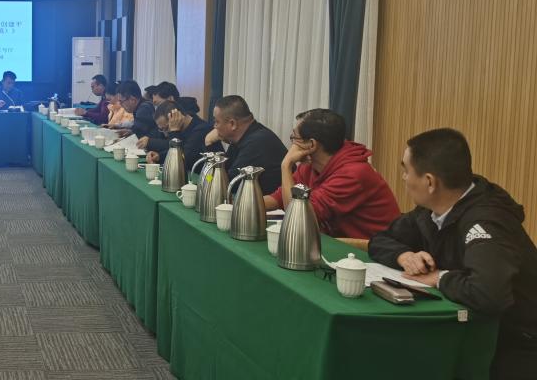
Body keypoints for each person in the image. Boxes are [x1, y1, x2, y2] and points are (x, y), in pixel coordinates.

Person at [369, 129, 537, 378]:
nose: (403, 177)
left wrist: (440, 278)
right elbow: (380, 240)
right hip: (469, 331)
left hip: (517, 344)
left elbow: (488, 294)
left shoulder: (486, 221)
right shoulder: (430, 211)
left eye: (406, 170)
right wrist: (404, 256)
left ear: (429, 182)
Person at [263, 109, 399, 239]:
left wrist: (286, 165)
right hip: (338, 242)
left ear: (311, 145)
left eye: (294, 138)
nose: (292, 144)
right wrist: (251, 206)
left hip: (369, 249)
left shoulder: (353, 174)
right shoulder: (310, 165)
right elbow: (279, 198)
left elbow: (298, 216)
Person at [208, 95, 286, 193]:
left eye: (217, 122)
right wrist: (209, 178)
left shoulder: (257, 142)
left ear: (232, 124)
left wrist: (208, 142)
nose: (215, 127)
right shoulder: (239, 138)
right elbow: (221, 172)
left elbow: (226, 184)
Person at [144, 101, 220, 171]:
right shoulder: (184, 128)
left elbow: (179, 162)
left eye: (166, 128)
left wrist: (174, 131)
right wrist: (159, 156)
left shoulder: (201, 130)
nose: (166, 134)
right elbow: (182, 150)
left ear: (177, 118)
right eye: (161, 129)